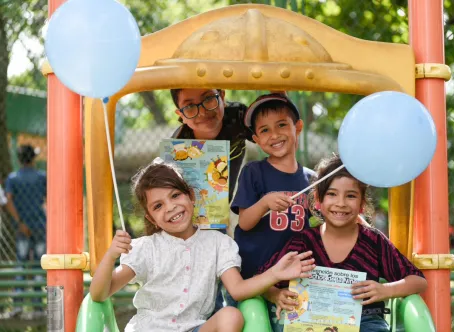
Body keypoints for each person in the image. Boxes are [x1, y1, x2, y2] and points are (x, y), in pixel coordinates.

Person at [89, 159, 316, 332]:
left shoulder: (217, 243)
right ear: (150, 218)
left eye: (175, 195)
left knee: (231, 315)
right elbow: (100, 294)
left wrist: (275, 273)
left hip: (194, 328)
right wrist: (110, 257)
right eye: (158, 206)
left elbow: (237, 289)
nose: (170, 207)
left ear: (190, 196)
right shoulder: (146, 248)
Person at [260, 155, 427, 332]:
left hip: (365, 323)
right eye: (332, 194)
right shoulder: (303, 242)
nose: (341, 203)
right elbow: (263, 280)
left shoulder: (374, 241)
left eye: (351, 196)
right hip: (312, 323)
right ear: (318, 200)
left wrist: (386, 290)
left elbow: (418, 281)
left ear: (362, 204)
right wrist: (275, 294)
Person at [231, 93, 315, 280]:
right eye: (265, 130)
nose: (274, 135)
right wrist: (264, 203)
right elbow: (244, 223)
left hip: (295, 275)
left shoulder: (312, 180)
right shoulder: (253, 172)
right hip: (255, 274)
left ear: (298, 127)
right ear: (257, 139)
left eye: (282, 125)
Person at [170, 89, 252, 202]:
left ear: (222, 97)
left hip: (231, 165)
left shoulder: (239, 116)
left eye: (208, 99)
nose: (203, 112)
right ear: (181, 115)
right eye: (190, 106)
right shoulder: (179, 145)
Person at [4, 144, 47, 318]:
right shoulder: (41, 177)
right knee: (38, 264)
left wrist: (20, 222)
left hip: (22, 228)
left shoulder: (13, 179)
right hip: (39, 225)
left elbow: (8, 200)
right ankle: (37, 308)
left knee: (21, 263)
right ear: (33, 158)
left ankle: (17, 306)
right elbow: (49, 198)